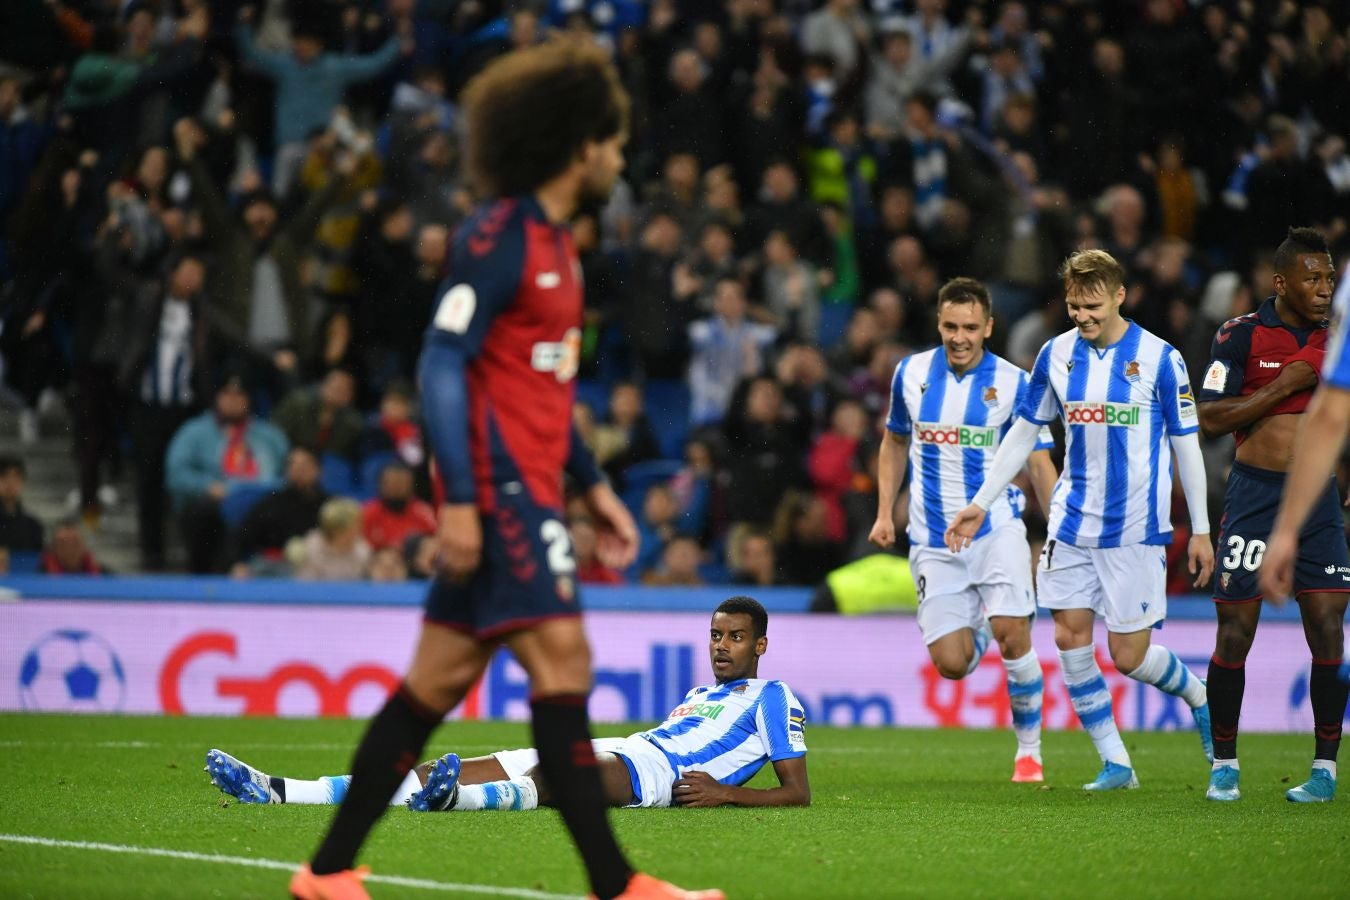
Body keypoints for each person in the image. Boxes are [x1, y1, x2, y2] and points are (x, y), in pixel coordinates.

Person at [292, 41, 722, 900]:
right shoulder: (501, 234)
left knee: (434, 682)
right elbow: (442, 363)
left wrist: (595, 487)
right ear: (578, 147)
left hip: (527, 486)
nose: (617, 158)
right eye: (611, 143)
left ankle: (329, 872)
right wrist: (457, 501)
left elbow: (538, 395)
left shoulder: (559, 246)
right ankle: (617, 885)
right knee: (563, 664)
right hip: (499, 495)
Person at [945, 250, 1215, 792]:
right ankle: (1117, 763)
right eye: (1074, 306)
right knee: (1069, 638)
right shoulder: (1055, 354)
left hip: (1135, 528)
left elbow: (1187, 445)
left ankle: (1198, 695)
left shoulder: (1160, 359)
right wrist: (981, 499)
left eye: (1092, 306)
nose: (1083, 317)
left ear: (1120, 295)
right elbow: (1025, 431)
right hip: (1071, 522)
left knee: (1129, 657)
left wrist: (1203, 528)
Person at [205, 596, 809, 813]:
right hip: (629, 746)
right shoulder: (700, 694)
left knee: (556, 777)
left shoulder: (774, 696)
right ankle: (284, 790)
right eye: (714, 635)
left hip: (660, 776)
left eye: (733, 637)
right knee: (475, 763)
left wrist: (728, 793)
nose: (721, 647)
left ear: (759, 644)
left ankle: (456, 804)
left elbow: (797, 791)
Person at [870, 277, 1058, 783]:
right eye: (951, 326)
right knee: (952, 664)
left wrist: (1058, 527)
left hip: (996, 530)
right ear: (938, 323)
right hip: (932, 538)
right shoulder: (910, 374)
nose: (960, 337)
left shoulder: (1017, 383)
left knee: (1013, 634)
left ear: (989, 327)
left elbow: (1039, 463)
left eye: (970, 327)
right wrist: (886, 511)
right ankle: (976, 623)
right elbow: (892, 443)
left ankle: (1029, 752)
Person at [1196, 228, 1349, 804]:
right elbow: (1211, 419)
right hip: (1255, 494)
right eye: (1312, 277)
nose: (1324, 288)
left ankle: (1325, 770)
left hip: (1319, 501)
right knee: (1236, 631)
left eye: (1330, 277)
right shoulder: (1240, 335)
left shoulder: (1339, 337)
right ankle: (1226, 765)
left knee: (1328, 626)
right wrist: (1283, 387)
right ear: (1280, 281)